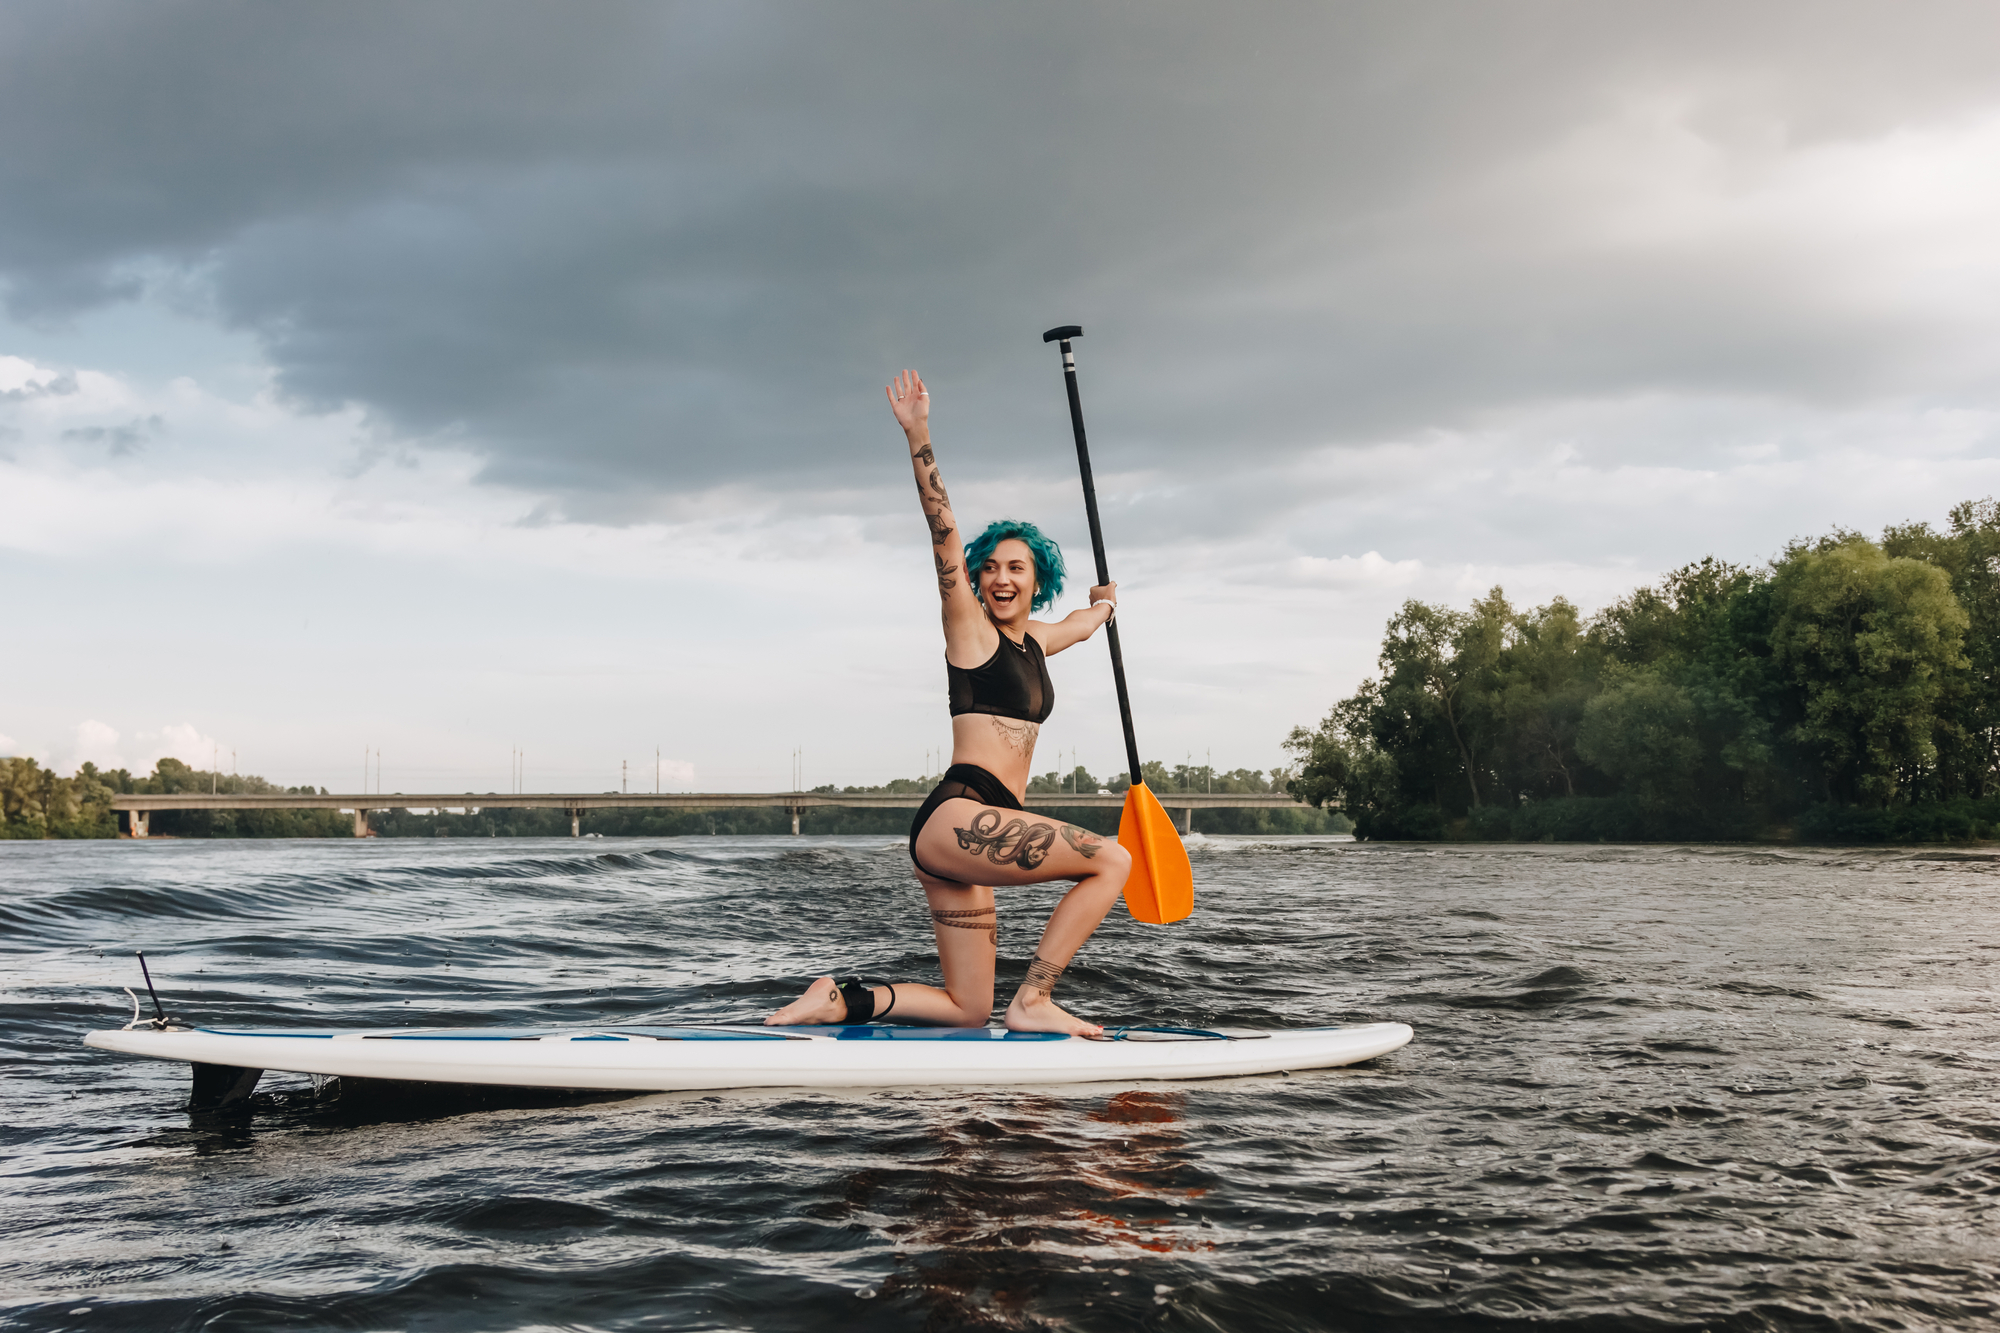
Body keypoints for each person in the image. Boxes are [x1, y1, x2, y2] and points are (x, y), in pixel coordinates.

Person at [767, 369, 1131, 1036]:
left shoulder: (1036, 643)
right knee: (1113, 859)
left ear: (1036, 580)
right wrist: (919, 437)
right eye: (990, 565)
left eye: (1016, 567)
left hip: (976, 834)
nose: (1000, 576)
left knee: (967, 1008)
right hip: (958, 816)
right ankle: (1037, 999)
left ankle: (841, 997)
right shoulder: (969, 630)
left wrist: (1105, 606)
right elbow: (943, 534)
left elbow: (1079, 623)